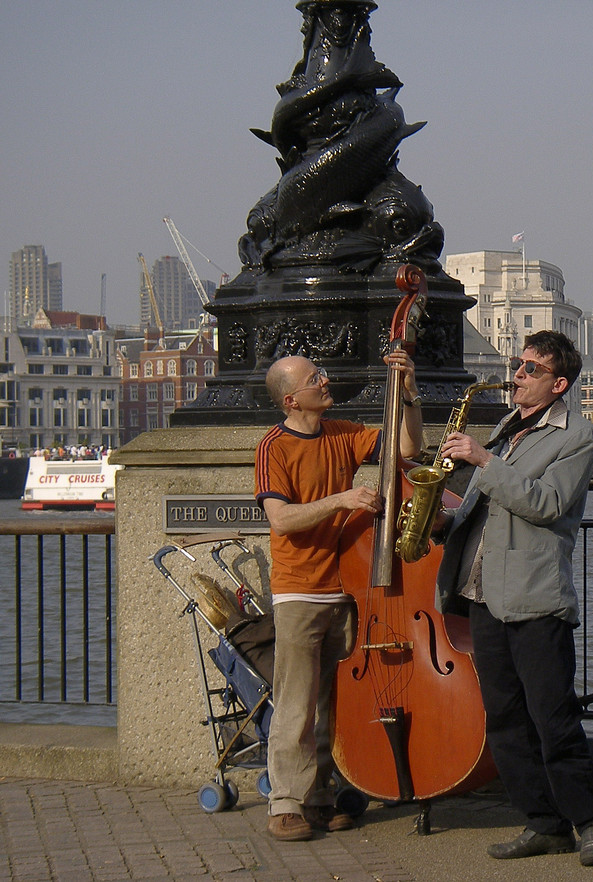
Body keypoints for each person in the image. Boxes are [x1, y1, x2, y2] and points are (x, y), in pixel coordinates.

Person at [435, 330, 593, 867]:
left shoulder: (578, 435)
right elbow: (484, 507)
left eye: (530, 369)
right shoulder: (509, 429)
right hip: (483, 595)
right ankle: (543, 824)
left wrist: (485, 461)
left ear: (559, 384)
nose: (517, 374)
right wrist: (442, 520)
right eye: (519, 364)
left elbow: (545, 503)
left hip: (535, 598)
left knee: (553, 717)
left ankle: (592, 821)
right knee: (505, 721)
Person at [254, 349, 423, 842]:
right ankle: (284, 802)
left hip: (348, 587)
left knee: (334, 701)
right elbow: (281, 519)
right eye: (315, 378)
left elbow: (408, 447)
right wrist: (343, 500)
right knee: (296, 701)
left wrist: (408, 390)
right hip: (301, 591)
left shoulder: (345, 432)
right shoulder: (274, 447)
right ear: (291, 399)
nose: (325, 381)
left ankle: (322, 798)